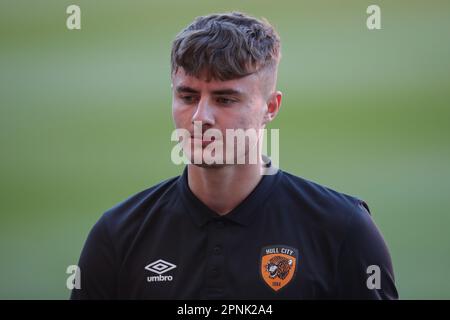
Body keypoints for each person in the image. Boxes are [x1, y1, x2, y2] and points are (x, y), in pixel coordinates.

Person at [70, 12, 398, 300]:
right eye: (187, 96)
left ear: (270, 107)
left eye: (225, 100)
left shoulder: (343, 230)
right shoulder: (118, 235)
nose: (200, 117)